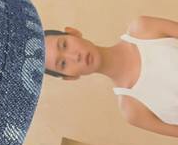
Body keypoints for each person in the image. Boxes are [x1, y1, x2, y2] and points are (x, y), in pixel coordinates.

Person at [44, 16, 178, 138]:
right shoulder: (132, 110)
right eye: (63, 63)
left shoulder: (144, 28)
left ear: (73, 33)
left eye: (64, 45)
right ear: (70, 77)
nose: (74, 56)